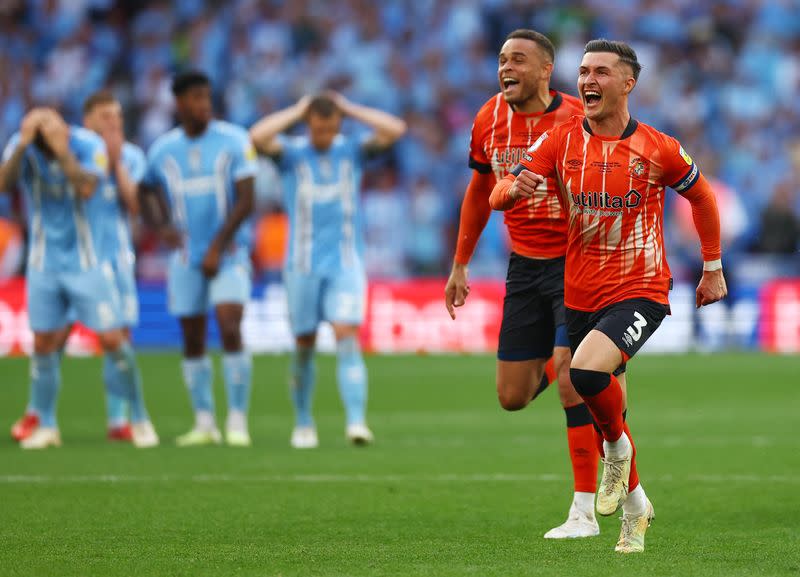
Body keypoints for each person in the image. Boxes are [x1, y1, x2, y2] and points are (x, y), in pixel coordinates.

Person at [489, 39, 727, 553]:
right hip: (579, 291)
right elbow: (500, 191)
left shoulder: (659, 147)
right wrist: (513, 191)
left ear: (628, 83)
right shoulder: (558, 142)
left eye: (600, 72)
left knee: (587, 374)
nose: (587, 81)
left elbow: (702, 196)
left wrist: (711, 266)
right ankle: (635, 507)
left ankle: (617, 454)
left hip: (641, 288)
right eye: (582, 72)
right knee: (604, 408)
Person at [444, 29, 599, 539]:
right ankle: (588, 371)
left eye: (518, 60)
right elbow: (478, 188)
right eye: (501, 59)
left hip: (576, 261)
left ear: (545, 71)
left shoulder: (578, 116)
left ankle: (583, 511)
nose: (505, 68)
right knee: (512, 396)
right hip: (525, 266)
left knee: (568, 373)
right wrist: (460, 264)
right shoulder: (489, 117)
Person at [250, 92, 406, 448]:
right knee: (303, 344)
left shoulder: (351, 150)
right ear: (308, 126)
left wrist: (349, 107)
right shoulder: (290, 155)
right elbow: (257, 137)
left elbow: (395, 129)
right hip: (301, 266)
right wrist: (297, 109)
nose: (323, 135)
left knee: (346, 336)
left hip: (345, 263)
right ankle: (304, 422)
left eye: (330, 128)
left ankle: (356, 422)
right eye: (317, 128)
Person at [1, 108, 157, 449]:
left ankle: (140, 416)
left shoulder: (88, 145)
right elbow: (4, 183)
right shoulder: (22, 146)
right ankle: (46, 425)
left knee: (114, 339)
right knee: (43, 344)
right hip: (43, 263)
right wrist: (23, 143)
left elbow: (87, 187)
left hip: (87, 263)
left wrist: (62, 152)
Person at [140, 71, 258, 447]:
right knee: (191, 335)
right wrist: (161, 228)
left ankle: (237, 420)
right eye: (195, 98)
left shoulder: (235, 140)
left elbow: (247, 200)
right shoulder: (162, 149)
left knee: (229, 323)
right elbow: (145, 189)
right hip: (186, 256)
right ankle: (204, 421)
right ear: (179, 103)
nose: (203, 104)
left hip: (230, 252)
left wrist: (216, 247)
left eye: (206, 97)